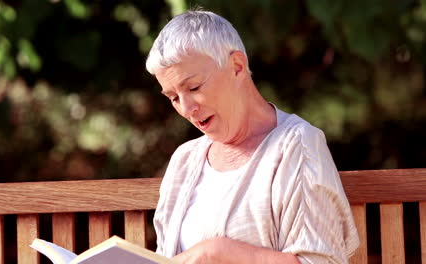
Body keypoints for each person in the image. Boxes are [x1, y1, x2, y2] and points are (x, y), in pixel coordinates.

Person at [145, 9, 359, 264]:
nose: (186, 108)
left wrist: (217, 254)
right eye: (173, 97)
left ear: (236, 67)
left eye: (194, 87)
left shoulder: (297, 146)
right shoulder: (185, 160)